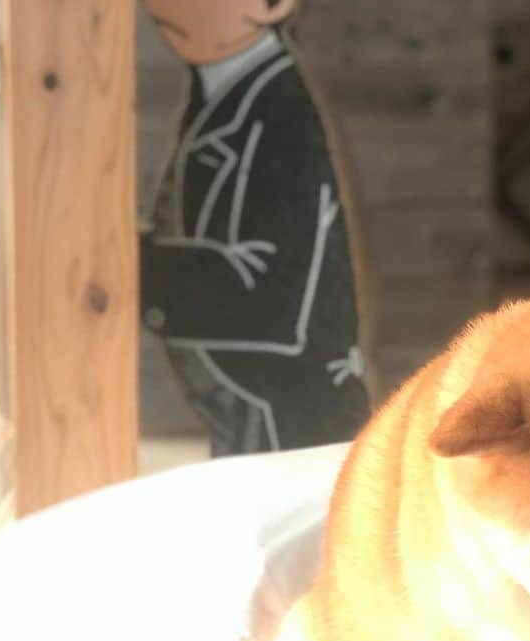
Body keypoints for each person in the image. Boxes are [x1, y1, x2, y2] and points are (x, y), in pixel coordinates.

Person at [139, 0, 372, 455]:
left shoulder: (282, 114)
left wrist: (131, 266)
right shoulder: (219, 92)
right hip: (246, 418)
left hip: (288, 428)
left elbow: (275, 298)